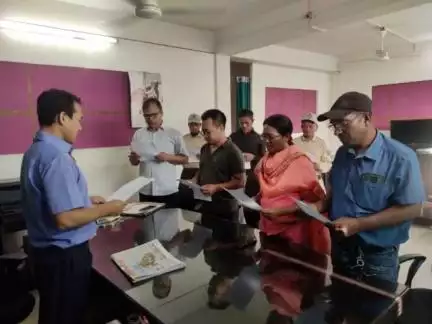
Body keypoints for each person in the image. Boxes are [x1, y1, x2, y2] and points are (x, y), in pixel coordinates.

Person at [20, 89, 126, 324]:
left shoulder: (35, 151)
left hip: (45, 254)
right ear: (62, 118)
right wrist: (108, 208)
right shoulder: (56, 157)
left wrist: (86, 201)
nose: (81, 127)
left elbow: (49, 199)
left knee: (54, 313)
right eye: (79, 119)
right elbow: (65, 219)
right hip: (64, 257)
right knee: (66, 316)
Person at [314, 91, 425, 284]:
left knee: (375, 309)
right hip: (341, 246)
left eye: (343, 123)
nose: (338, 130)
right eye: (334, 125)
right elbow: (337, 194)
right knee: (340, 298)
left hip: (376, 254)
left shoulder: (401, 157)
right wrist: (317, 207)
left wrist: (358, 225)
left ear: (366, 118)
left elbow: (412, 208)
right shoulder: (342, 154)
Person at [255, 114, 330, 254]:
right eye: (263, 137)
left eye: (270, 137)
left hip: (292, 230)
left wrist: (281, 211)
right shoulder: (266, 159)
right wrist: (257, 198)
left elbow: (312, 201)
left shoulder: (300, 161)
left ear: (286, 136)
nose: (266, 141)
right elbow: (268, 191)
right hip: (267, 224)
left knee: (290, 271)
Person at [192, 109, 246, 243]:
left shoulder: (233, 152)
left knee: (225, 249)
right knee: (208, 247)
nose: (204, 135)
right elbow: (203, 168)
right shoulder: (205, 148)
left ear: (221, 127)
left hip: (226, 210)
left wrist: (216, 187)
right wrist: (194, 179)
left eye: (207, 132)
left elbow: (240, 182)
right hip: (206, 205)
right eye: (203, 132)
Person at [129, 98, 189, 206]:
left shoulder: (173, 133)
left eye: (154, 115)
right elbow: (134, 163)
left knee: (169, 222)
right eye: (147, 116)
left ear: (161, 113)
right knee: (147, 223)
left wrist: (168, 157)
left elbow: (185, 159)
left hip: (167, 190)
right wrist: (134, 158)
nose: (151, 119)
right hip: (145, 190)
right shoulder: (138, 134)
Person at [230, 109, 265, 228]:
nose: (244, 125)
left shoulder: (259, 139)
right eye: (241, 123)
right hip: (236, 177)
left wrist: (254, 157)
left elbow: (265, 158)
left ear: (252, 121)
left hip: (252, 179)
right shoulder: (233, 137)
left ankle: (252, 232)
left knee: (251, 207)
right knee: (234, 207)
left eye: (247, 123)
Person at [293, 112, 332, 177]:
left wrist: (318, 166)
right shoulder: (294, 142)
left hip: (316, 179)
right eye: (305, 126)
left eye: (310, 126)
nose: (307, 129)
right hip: (298, 179)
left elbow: (328, 163)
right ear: (301, 127)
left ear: (316, 127)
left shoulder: (321, 143)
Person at [182, 113, 206, 179]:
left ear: (200, 125)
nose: (194, 127)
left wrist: (203, 156)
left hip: (201, 171)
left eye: (196, 124)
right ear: (188, 125)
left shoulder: (206, 139)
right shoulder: (184, 139)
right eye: (191, 124)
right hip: (186, 171)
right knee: (184, 189)